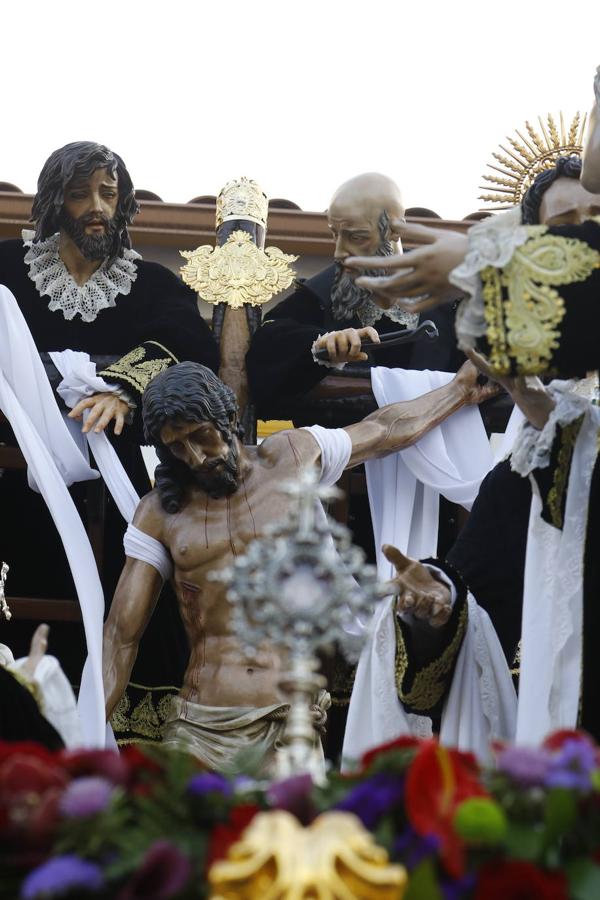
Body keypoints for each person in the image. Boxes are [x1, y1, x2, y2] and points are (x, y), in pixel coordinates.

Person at [102, 358, 496, 772]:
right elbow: (120, 637)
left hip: (291, 722)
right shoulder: (160, 512)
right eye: (177, 447)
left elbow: (386, 430)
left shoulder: (292, 455)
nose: (196, 457)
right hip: (201, 725)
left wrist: (460, 391)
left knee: (291, 837)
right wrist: (82, 735)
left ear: (229, 416)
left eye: (201, 436)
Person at [0, 141, 219, 741]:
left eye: (108, 193)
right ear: (53, 202)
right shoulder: (7, 273)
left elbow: (190, 347)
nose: (97, 208)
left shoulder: (150, 284)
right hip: (15, 480)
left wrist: (124, 388)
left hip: (114, 482)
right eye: (80, 194)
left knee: (128, 599)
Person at [246, 173, 463, 428]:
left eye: (356, 237)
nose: (339, 253)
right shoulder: (320, 295)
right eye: (334, 234)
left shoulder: (455, 294)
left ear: (395, 230)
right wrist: (320, 344)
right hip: (345, 461)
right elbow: (269, 343)